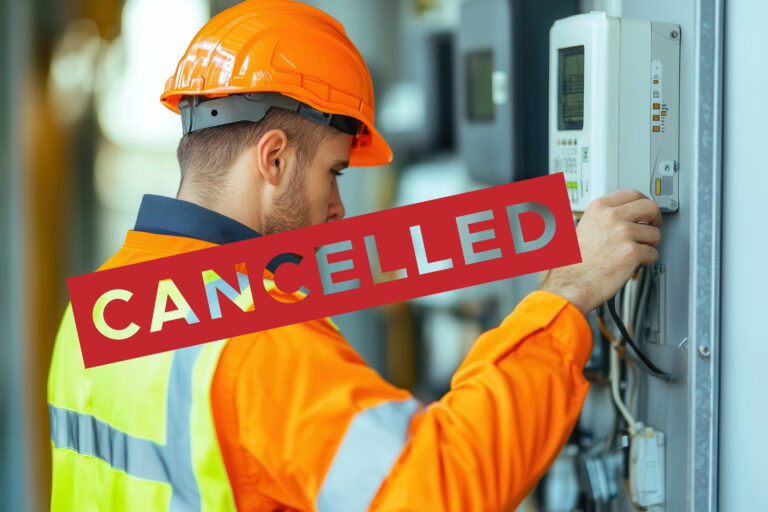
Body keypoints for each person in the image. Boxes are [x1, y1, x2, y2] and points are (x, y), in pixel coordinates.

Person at [47, 1, 662, 511]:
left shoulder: (95, 312)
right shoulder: (252, 334)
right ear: (275, 158)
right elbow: (439, 488)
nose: (338, 207)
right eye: (333, 171)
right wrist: (566, 295)